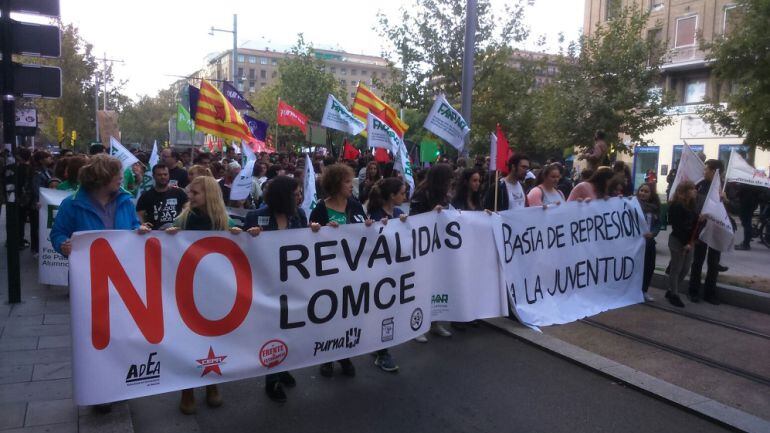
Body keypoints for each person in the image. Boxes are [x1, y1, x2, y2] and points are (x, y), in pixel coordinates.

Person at [165, 176, 241, 414]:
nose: (190, 197)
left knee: (213, 339)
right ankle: (186, 390)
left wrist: (246, 235)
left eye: (195, 193)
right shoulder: (183, 219)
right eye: (190, 193)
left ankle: (212, 384)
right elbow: (164, 241)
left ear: (209, 195)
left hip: (215, 291)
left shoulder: (223, 221)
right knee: (187, 340)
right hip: (187, 291)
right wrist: (167, 235)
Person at [243, 176, 308, 401]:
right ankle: (272, 381)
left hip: (292, 286)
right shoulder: (255, 216)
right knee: (272, 333)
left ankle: (283, 367)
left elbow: (308, 246)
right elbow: (240, 249)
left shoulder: (298, 215)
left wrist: (319, 232)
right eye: (295, 193)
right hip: (266, 288)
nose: (299, 197)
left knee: (289, 331)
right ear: (282, 196)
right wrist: (247, 236)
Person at [309, 164, 370, 377]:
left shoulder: (355, 205)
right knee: (329, 317)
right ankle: (327, 357)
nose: (351, 186)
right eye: (346, 182)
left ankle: (344, 355)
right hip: (329, 275)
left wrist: (371, 227)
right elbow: (308, 242)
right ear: (335, 184)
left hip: (352, 274)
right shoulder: (320, 209)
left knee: (348, 316)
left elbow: (364, 235)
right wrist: (318, 230)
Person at [410, 163, 454, 340]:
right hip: (423, 247)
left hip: (440, 246)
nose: (451, 181)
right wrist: (431, 213)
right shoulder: (421, 194)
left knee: (437, 285)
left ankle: (435, 322)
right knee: (422, 286)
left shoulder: (444, 195)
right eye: (448, 178)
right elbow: (414, 220)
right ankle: (417, 326)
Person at [688, 160, 726, 304]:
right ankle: (693, 291)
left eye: (706, 170)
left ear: (714, 172)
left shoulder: (725, 187)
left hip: (717, 230)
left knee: (714, 262)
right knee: (698, 261)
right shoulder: (700, 185)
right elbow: (692, 206)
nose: (703, 172)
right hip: (702, 229)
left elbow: (735, 209)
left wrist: (726, 200)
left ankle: (710, 293)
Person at [666, 181, 698, 308]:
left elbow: (695, 223)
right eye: (692, 189)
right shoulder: (677, 206)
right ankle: (674, 294)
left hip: (689, 242)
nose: (695, 191)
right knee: (676, 268)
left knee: (685, 268)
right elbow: (678, 226)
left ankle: (672, 289)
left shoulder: (692, 204)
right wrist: (685, 243)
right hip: (678, 241)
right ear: (684, 191)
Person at [136, 163, 188, 229]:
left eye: (165, 174)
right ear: (153, 176)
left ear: (169, 175)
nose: (163, 177)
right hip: (155, 236)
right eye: (159, 175)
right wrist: (144, 225)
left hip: (176, 233)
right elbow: (140, 215)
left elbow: (187, 209)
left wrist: (181, 223)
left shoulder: (178, 192)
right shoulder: (146, 195)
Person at [637, 183, 661, 301]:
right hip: (635, 243)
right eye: (641, 190)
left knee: (649, 267)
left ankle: (644, 290)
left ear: (651, 194)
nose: (643, 193)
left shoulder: (655, 208)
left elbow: (658, 224)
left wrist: (653, 233)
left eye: (646, 191)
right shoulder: (632, 205)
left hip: (649, 242)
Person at [30, 150, 54, 254]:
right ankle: (35, 248)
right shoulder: (38, 172)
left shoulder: (47, 171)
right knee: (36, 227)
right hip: (38, 204)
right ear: (41, 160)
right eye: (48, 157)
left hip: (44, 203)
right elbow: (36, 189)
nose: (50, 159)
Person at [735, 183, 761, 250]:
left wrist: (738, 191)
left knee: (746, 224)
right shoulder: (753, 181)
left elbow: (744, 189)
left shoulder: (749, 182)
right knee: (746, 223)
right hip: (751, 203)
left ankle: (746, 244)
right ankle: (746, 242)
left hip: (747, 203)